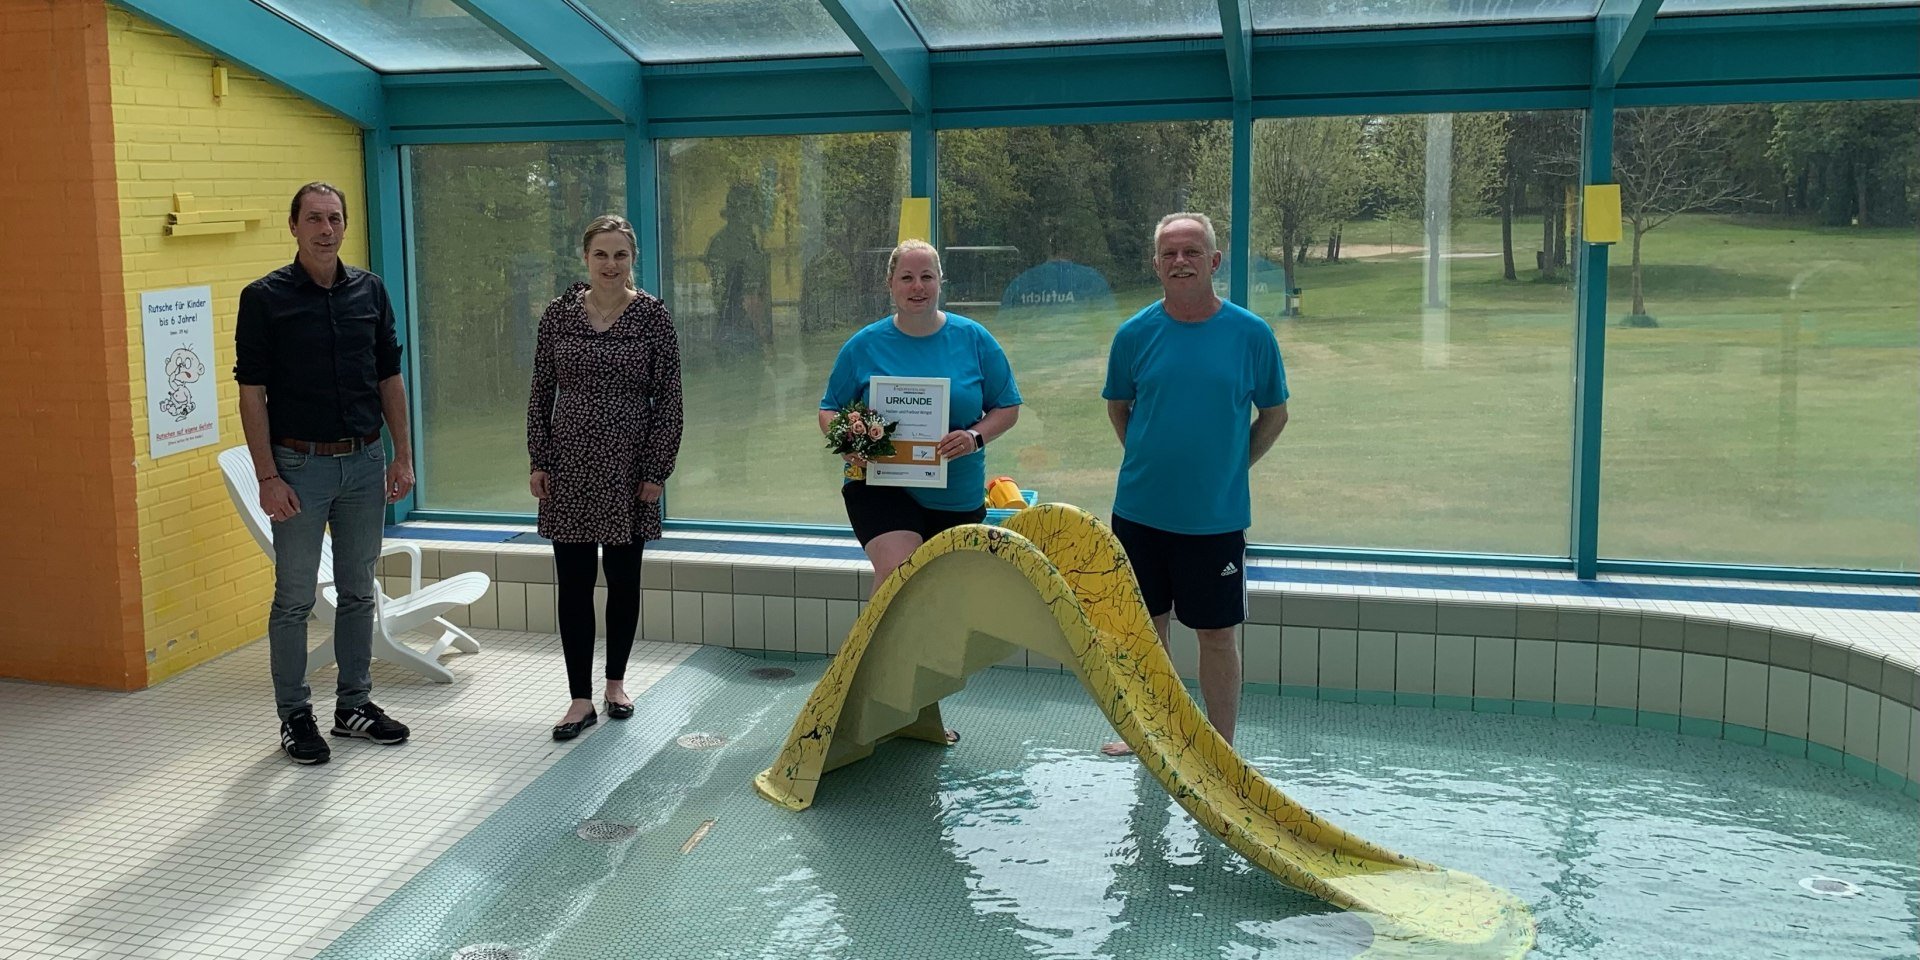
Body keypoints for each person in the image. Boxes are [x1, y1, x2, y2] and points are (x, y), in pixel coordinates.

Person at [236, 182, 416, 765]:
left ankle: (353, 707)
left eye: (334, 218)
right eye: (313, 218)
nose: (325, 229)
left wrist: (403, 455)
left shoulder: (371, 290)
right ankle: (294, 716)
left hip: (364, 462)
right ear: (293, 226)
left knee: (359, 591)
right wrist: (267, 476)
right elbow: (252, 394)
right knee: (293, 599)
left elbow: (390, 378)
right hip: (298, 466)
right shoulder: (264, 298)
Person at [1100, 212, 1289, 757]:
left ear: (1214, 261)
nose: (1179, 262)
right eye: (1169, 254)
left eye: (1190, 252)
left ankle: (1220, 750)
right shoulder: (1134, 335)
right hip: (1139, 514)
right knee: (1146, 632)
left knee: (1216, 635)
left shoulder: (1250, 335)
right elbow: (1120, 409)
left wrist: (1231, 466)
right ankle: (1150, 735)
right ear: (1156, 263)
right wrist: (1149, 461)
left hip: (1215, 519)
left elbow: (1274, 415)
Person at [819, 239, 1022, 742]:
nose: (917, 287)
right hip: (880, 485)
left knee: (930, 605)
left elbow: (1007, 407)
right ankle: (853, 701)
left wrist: (975, 436)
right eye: (906, 278)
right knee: (898, 574)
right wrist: (849, 441)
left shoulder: (974, 339)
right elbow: (829, 408)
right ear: (889, 284)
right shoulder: (864, 345)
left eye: (926, 277)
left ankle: (914, 709)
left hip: (956, 496)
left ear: (940, 282)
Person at [529, 215, 683, 741]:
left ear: (632, 259)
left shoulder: (653, 318)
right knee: (572, 585)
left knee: (623, 580)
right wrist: (539, 459)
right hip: (569, 464)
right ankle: (578, 699)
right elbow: (539, 392)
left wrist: (656, 469)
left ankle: (615, 683)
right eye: (601, 254)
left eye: (620, 255)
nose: (611, 265)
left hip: (629, 468)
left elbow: (670, 400)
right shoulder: (558, 316)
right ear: (585, 258)